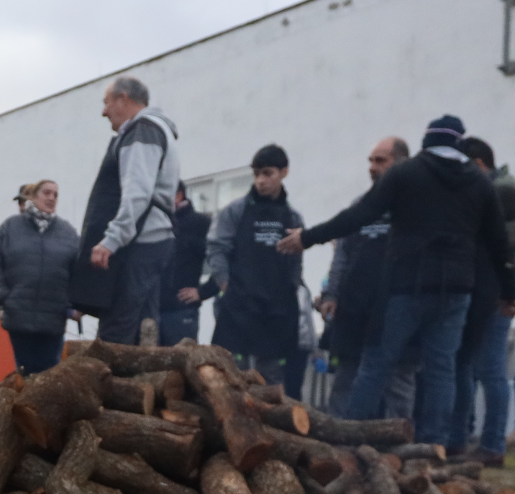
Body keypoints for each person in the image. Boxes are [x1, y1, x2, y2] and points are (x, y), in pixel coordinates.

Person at [279, 115, 515, 444]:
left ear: (426, 142)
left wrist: (309, 237)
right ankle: (434, 446)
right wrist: (508, 292)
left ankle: (350, 438)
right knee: (441, 369)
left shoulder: (407, 173)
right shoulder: (479, 183)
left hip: (407, 285)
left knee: (376, 362)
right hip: (457, 290)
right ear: (458, 143)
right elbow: (497, 242)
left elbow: (360, 215)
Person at [70, 76, 180, 345]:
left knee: (117, 330)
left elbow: (137, 192)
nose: (103, 111)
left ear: (124, 99)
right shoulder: (153, 130)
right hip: (152, 243)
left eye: (107, 102)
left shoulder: (142, 131)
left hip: (140, 245)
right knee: (144, 327)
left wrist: (111, 239)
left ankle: (111, 384)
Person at [319, 137, 411, 414]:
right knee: (346, 377)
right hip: (355, 305)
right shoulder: (360, 205)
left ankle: (401, 447)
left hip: (397, 304)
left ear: (401, 165)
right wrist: (331, 293)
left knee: (398, 380)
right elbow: (342, 254)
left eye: (380, 160)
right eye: (370, 160)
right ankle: (338, 443)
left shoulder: (411, 208)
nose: (372, 167)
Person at [206, 144, 306, 396]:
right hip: (240, 303)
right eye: (257, 174)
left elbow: (297, 258)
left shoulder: (293, 217)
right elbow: (217, 247)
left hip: (276, 307)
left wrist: (291, 286)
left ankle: (271, 428)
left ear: (284, 172)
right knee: (231, 371)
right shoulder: (235, 211)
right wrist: (225, 284)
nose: (260, 181)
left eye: (267, 174)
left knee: (271, 374)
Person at [452, 137, 514, 464]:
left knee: (485, 368)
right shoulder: (504, 190)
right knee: (484, 369)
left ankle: (486, 444)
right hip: (495, 292)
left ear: (477, 165)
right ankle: (483, 441)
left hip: (491, 293)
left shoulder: (498, 193)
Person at [0, 179, 79, 374]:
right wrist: (3, 298)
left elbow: (79, 273)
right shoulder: (9, 228)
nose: (51, 198)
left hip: (53, 319)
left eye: (55, 194)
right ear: (33, 197)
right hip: (19, 317)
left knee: (49, 377)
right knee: (25, 374)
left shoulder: (67, 233)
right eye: (46, 193)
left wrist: (74, 305)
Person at [159, 180, 214, 345]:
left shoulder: (200, 223)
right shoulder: (157, 223)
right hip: (151, 311)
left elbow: (224, 260)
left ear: (178, 196)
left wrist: (204, 292)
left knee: (181, 366)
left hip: (181, 312)